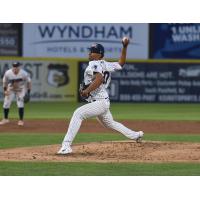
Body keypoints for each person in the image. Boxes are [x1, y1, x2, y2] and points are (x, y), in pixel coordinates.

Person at [57, 37, 144, 155]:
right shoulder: (106, 64)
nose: (89, 53)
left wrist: (86, 90)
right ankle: (136, 135)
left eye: (92, 51)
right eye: (90, 50)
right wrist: (124, 47)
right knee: (111, 124)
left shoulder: (94, 63)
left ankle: (66, 146)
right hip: (102, 101)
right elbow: (121, 63)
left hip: (99, 101)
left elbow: (99, 79)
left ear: (99, 54)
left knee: (78, 114)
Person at [0, 62, 31, 126]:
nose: (15, 67)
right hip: (11, 89)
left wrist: (28, 92)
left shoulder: (23, 73)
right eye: (14, 66)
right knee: (6, 103)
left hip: (20, 89)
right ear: (12, 67)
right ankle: (5, 119)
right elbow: (4, 82)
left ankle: (21, 120)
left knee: (20, 104)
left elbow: (29, 82)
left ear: (19, 67)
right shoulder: (8, 73)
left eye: (16, 66)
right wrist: (5, 90)